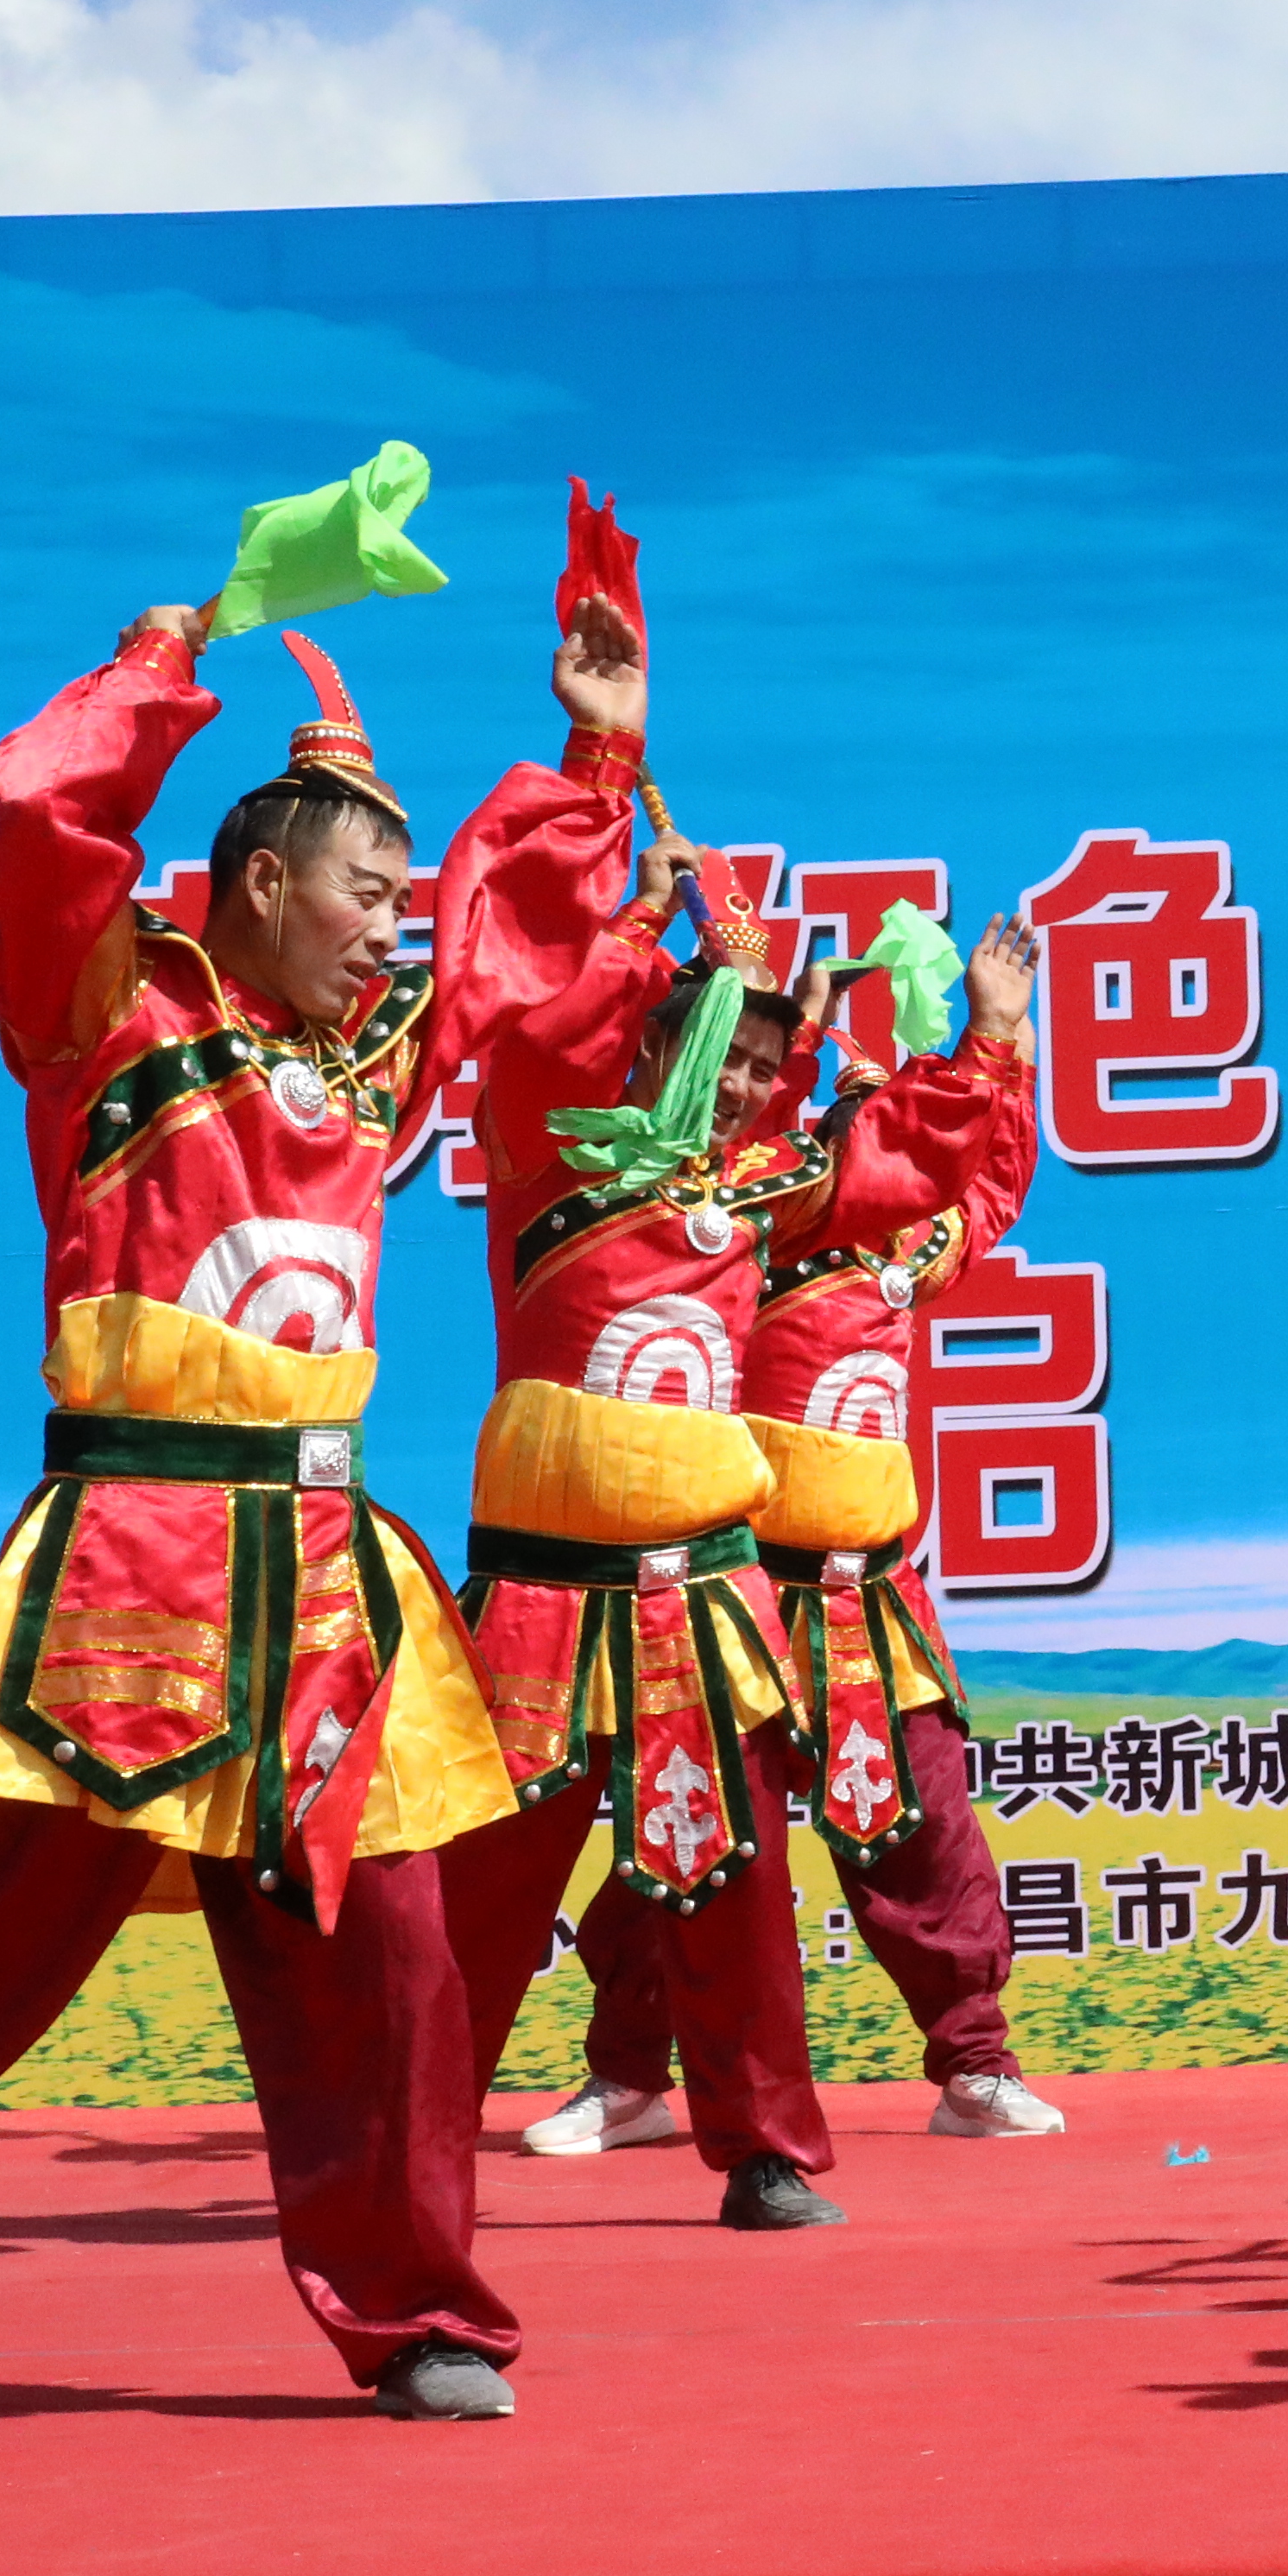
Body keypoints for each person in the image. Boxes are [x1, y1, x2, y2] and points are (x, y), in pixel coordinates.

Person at [0, 583, 644, 2443]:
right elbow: (47, 839)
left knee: (401, 1964)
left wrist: (600, 750)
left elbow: (513, 950)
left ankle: (420, 2307)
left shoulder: (371, 1064)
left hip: (330, 1587)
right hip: (130, 1563)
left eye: (398, 899)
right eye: (368, 890)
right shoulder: (106, 1015)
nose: (391, 927)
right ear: (262, 883)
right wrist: (151, 671)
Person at [432, 821, 1009, 2231]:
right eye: (719, 1053)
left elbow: (911, 1173)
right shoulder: (551, 1165)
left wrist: (988, 1044)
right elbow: (531, 1033)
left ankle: (763, 2149)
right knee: (472, 1895)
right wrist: (633, 911)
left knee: (734, 1882)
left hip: (703, 1597)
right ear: (648, 1041)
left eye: (764, 1063)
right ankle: (399, 2135)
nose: (745, 1081)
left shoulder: (757, 1196)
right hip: (543, 1599)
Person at [521, 906, 1064, 2154]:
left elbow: (986, 1175)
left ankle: (974, 2062)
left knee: (924, 1830)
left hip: (873, 1595)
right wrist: (755, 1010)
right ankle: (630, 2076)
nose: (886, 1138)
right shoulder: (748, 1229)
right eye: (858, 1115)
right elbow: (730, 1108)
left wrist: (1005, 1041)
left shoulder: (911, 1255)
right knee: (692, 1832)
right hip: (742, 1591)